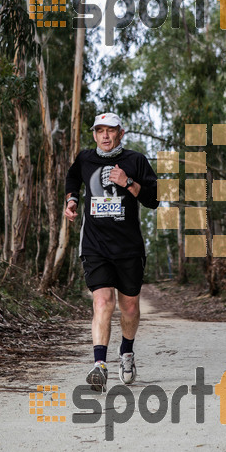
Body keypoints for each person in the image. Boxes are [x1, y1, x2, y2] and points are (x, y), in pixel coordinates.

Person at [64, 112, 159, 392]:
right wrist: (71, 200)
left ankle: (126, 353)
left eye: (111, 130)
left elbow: (153, 200)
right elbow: (72, 178)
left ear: (121, 133)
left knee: (129, 307)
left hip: (129, 248)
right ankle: (99, 366)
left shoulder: (136, 161)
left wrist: (127, 182)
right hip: (96, 246)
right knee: (103, 303)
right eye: (100, 130)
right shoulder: (84, 159)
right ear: (94, 134)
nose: (105, 135)